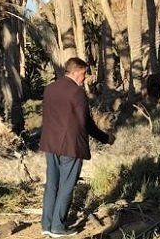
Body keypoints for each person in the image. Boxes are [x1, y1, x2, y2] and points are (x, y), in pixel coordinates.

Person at [39, 57, 115, 238]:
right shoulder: (77, 92)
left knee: (52, 185)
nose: (85, 77)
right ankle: (58, 227)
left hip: (51, 144)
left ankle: (46, 225)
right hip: (71, 146)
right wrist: (106, 138)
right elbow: (85, 123)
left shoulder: (50, 89)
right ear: (74, 72)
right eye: (83, 73)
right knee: (66, 186)